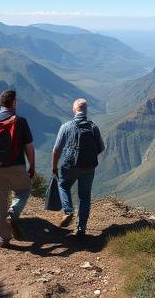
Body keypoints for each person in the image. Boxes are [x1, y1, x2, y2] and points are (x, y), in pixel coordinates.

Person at [0, 90, 35, 248]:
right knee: (24, 191)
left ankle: (3, 238)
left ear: (1, 103)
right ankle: (14, 211)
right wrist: (32, 166)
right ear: (15, 102)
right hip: (17, 166)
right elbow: (29, 147)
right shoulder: (21, 121)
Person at [52, 98, 105, 237]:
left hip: (70, 166)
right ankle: (81, 230)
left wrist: (54, 167)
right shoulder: (93, 127)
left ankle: (68, 211)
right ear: (86, 110)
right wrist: (88, 158)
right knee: (84, 197)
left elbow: (56, 150)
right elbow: (100, 148)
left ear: (74, 110)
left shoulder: (66, 127)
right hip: (89, 167)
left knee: (63, 185)